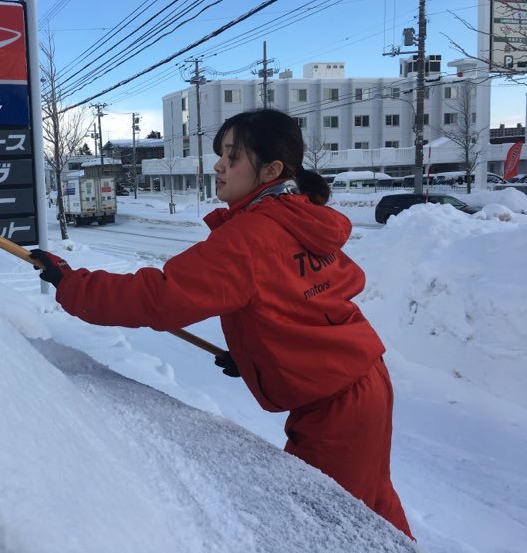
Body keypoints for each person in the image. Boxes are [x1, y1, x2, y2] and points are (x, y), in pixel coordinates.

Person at [30, 109, 413, 539]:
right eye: (220, 155)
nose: (218, 166)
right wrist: (258, 354)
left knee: (331, 531)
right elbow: (306, 300)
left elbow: (158, 297)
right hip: (363, 383)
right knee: (372, 504)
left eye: (231, 158)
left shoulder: (251, 236)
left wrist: (72, 284)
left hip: (337, 408)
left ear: (271, 170)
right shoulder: (300, 219)